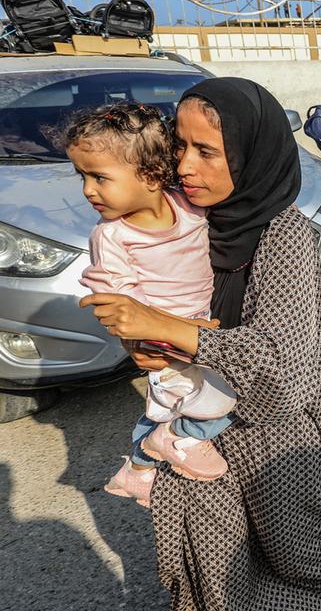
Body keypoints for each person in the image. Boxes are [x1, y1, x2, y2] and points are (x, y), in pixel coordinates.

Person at [79, 78, 321, 609]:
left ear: (251, 150)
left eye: (207, 150)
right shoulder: (192, 220)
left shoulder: (284, 236)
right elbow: (153, 295)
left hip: (277, 438)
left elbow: (281, 371)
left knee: (303, 559)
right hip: (200, 428)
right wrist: (139, 338)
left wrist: (161, 326)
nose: (184, 166)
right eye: (178, 146)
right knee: (217, 563)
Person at [65, 103, 235, 508]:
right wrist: (151, 337)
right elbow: (121, 299)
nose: (88, 190)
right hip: (166, 340)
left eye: (99, 177)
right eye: (84, 177)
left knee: (179, 404)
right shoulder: (112, 237)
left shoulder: (189, 207)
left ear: (152, 175)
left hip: (200, 331)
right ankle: (178, 441)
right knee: (221, 399)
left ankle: (139, 469)